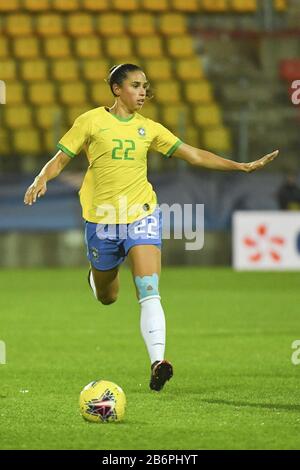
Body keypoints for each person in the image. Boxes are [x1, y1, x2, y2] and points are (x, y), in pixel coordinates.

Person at [24, 63, 279, 392]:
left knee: (148, 290)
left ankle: (158, 361)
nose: (143, 91)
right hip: (101, 221)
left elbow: (193, 155)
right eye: (135, 85)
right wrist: (41, 177)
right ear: (117, 89)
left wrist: (240, 166)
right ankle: (96, 277)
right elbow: (61, 158)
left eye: (145, 86)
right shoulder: (90, 121)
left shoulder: (151, 128)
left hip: (141, 216)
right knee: (107, 296)